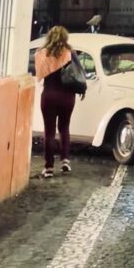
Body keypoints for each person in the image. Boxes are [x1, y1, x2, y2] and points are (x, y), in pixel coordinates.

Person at [34, 26, 83, 179]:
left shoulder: (42, 53)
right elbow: (80, 72)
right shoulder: (70, 53)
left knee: (49, 132)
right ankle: (65, 161)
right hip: (67, 97)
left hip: (49, 95)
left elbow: (39, 75)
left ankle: (48, 168)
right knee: (64, 128)